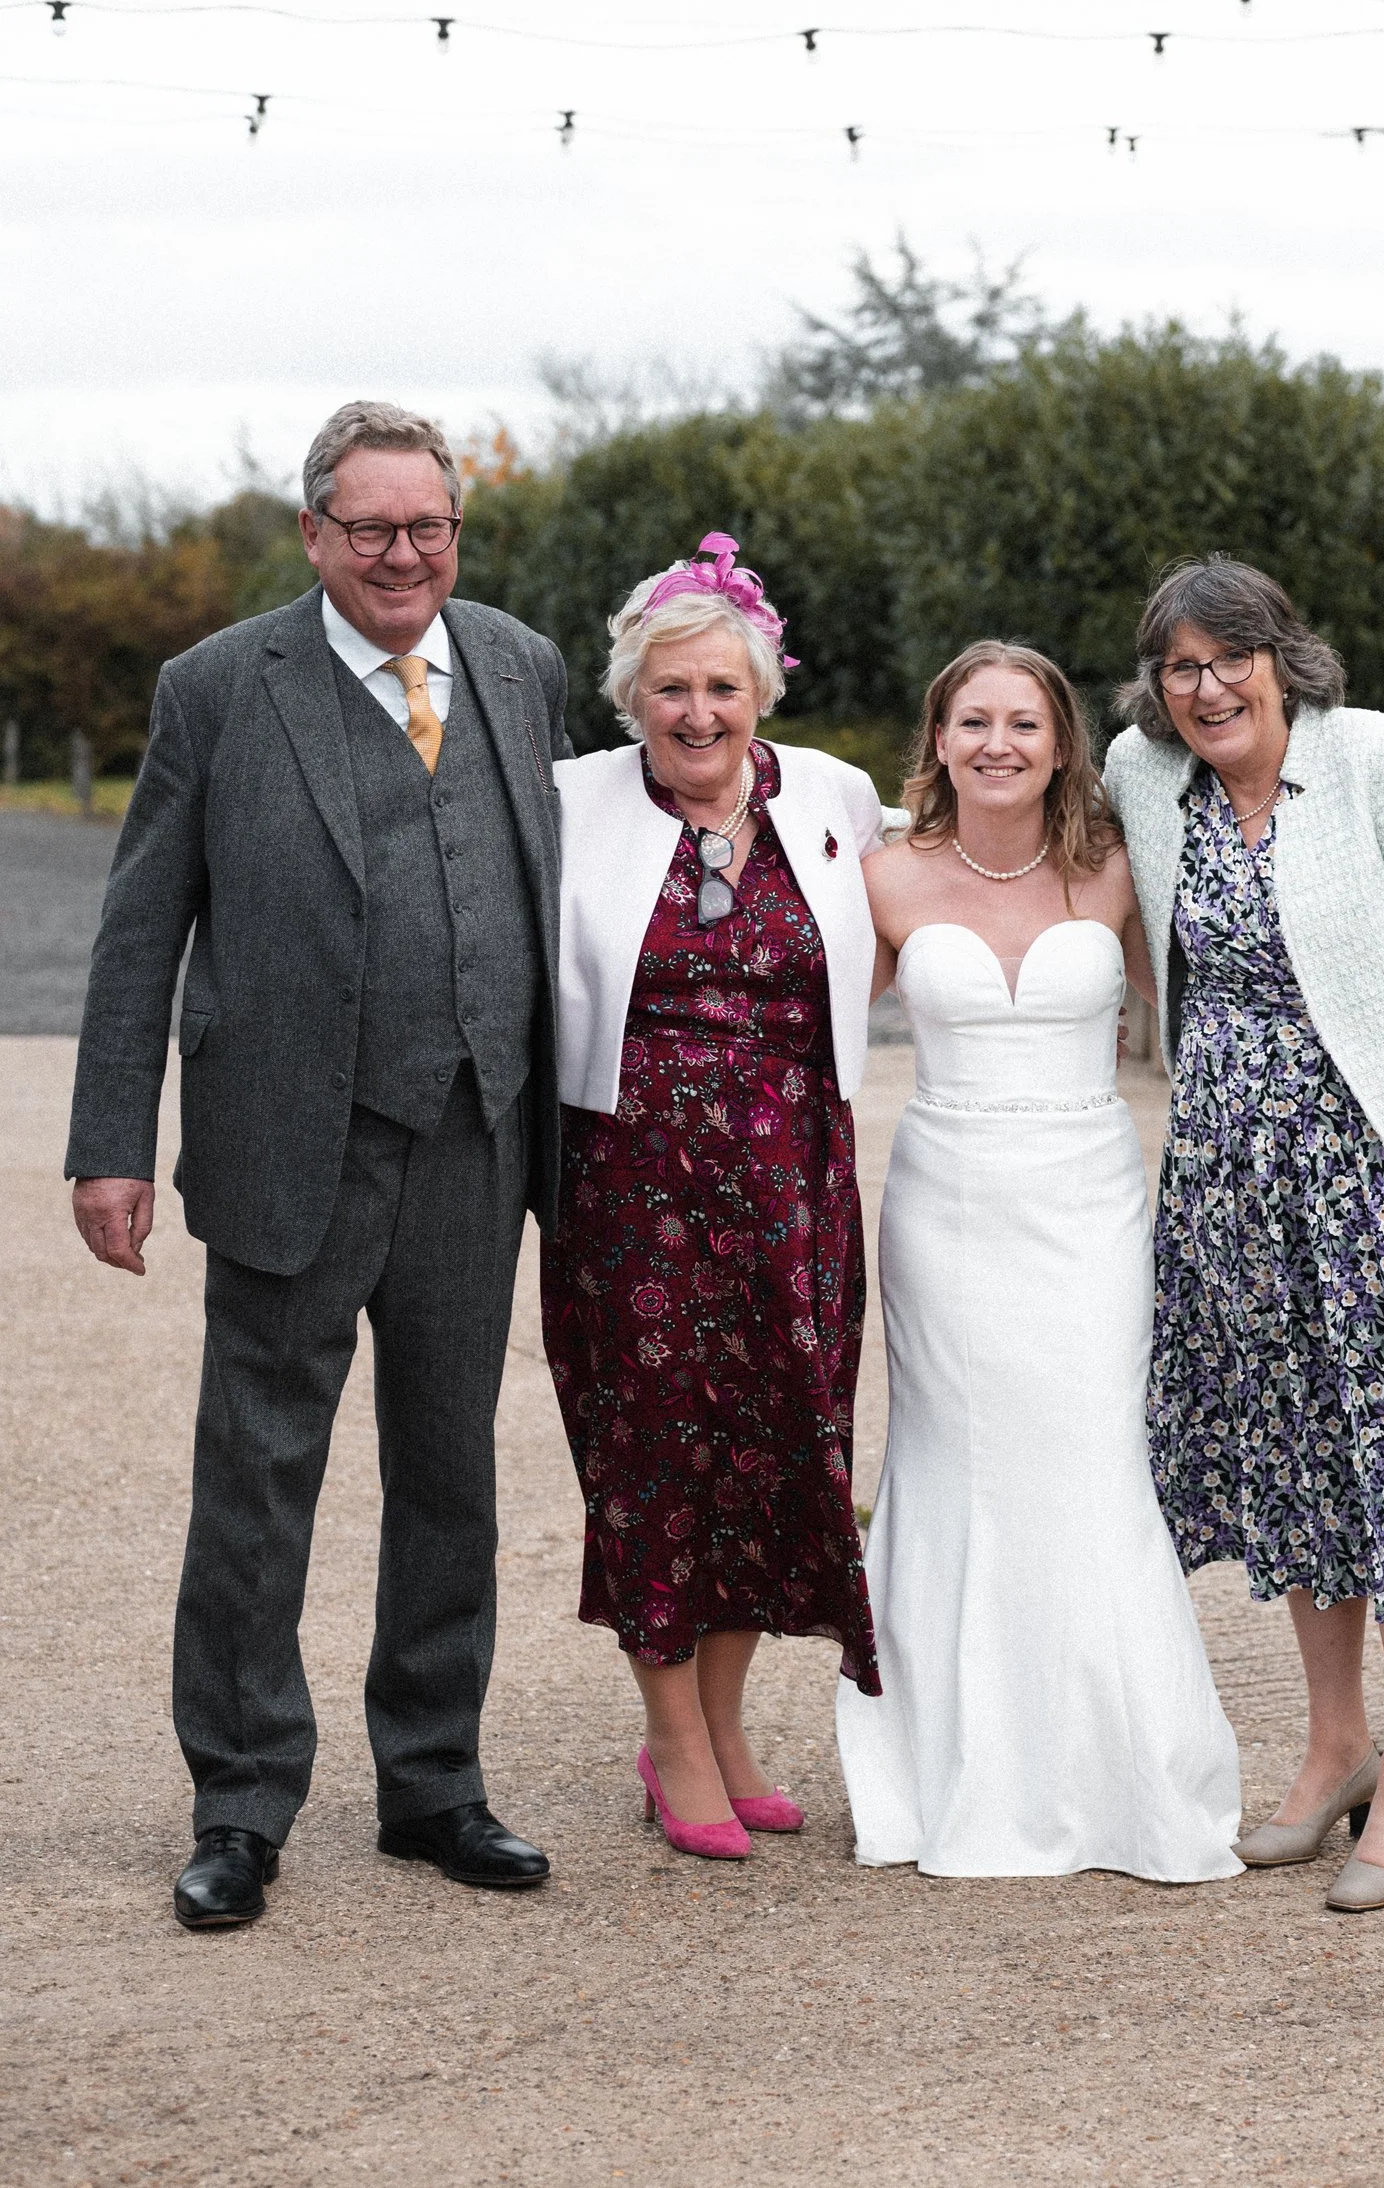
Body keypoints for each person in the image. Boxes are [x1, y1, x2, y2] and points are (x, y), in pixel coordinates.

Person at [66, 401, 570, 1929]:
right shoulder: (218, 688)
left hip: (476, 1138)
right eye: (373, 529)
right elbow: (140, 926)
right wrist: (109, 1144)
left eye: (429, 527)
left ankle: (431, 1784)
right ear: (314, 533)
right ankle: (238, 1802)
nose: (405, 554)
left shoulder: (518, 664)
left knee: (449, 1476)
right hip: (286, 1139)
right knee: (257, 1480)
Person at [1104, 555, 1384, 1915]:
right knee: (1292, 1459)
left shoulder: (1376, 761)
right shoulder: (1140, 775)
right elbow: (991, 813)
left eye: (1228, 654)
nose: (1205, 683)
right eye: (1178, 664)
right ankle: (1330, 1745)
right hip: (1225, 1182)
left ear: (1281, 655)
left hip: (1373, 1175)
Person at [834, 640, 1243, 1883]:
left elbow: (1221, 996)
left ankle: (1118, 1772)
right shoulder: (882, 877)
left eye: (1023, 722)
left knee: (1088, 1454)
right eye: (973, 721)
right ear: (938, 738)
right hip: (946, 1206)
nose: (997, 743)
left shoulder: (1119, 868)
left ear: (1062, 744)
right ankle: (955, 1761)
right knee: (956, 1463)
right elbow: (801, 1036)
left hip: (1087, 1204)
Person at [541, 534, 883, 1861]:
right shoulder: (572, 802)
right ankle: (672, 1740)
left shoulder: (835, 800)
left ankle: (727, 1725)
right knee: (651, 1458)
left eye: (721, 689)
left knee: (775, 1452)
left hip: (795, 1184)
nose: (697, 714)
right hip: (627, 1189)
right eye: (670, 690)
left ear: (761, 695)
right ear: (632, 699)